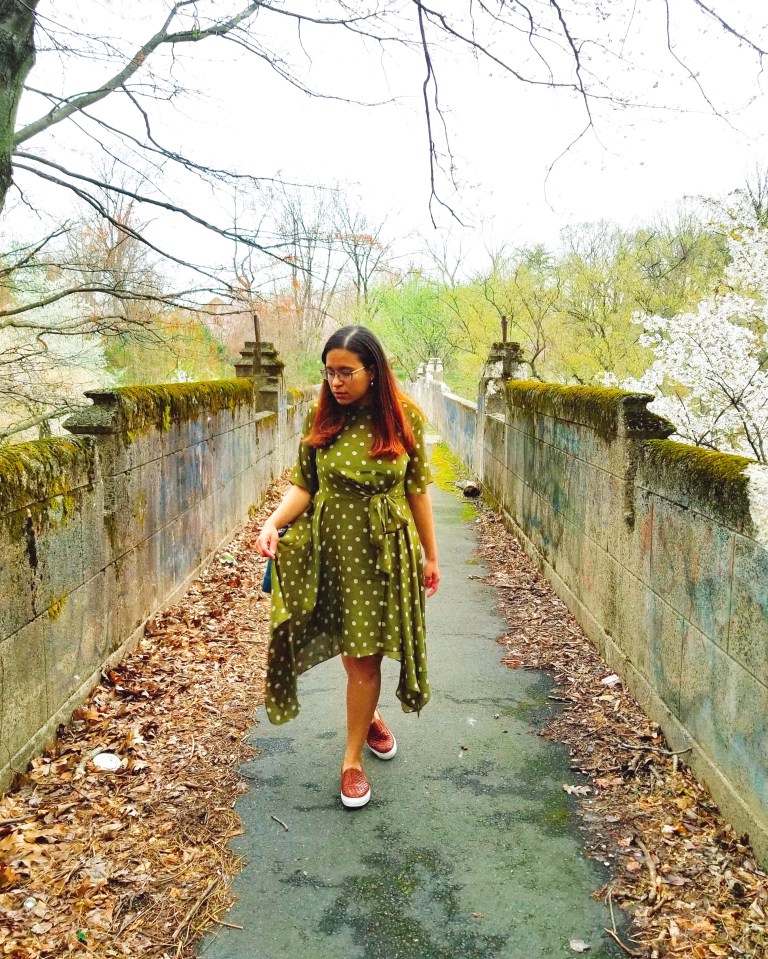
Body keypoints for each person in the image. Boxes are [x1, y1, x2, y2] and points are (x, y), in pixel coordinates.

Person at [256, 326, 440, 809]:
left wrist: (431, 555)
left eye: (346, 372)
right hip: (333, 551)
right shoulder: (324, 421)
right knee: (352, 644)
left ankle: (351, 761)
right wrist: (273, 522)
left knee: (365, 655)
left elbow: (418, 491)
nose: (335, 382)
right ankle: (370, 716)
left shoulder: (406, 422)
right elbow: (304, 485)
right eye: (329, 372)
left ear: (372, 372)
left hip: (384, 552)